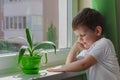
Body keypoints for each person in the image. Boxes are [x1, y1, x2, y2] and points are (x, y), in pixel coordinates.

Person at [47, 8, 120, 80]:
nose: (79, 40)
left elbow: (83, 65)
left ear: (97, 31)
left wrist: (60, 68)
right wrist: (74, 49)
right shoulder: (88, 51)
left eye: (82, 35)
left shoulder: (104, 43)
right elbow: (69, 65)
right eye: (77, 36)